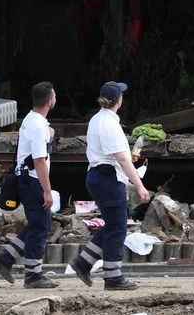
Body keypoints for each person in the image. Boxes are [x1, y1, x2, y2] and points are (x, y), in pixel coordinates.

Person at [68, 81, 150, 291]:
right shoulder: (110, 124)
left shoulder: (97, 119)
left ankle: (83, 262)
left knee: (115, 224)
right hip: (108, 178)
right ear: (118, 100)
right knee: (117, 227)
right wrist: (139, 186)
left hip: (98, 175)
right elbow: (122, 160)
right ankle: (113, 276)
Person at [0, 81, 57, 288]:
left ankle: (6, 257)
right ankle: (33, 274)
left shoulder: (31, 120)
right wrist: (47, 191)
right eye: (54, 97)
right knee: (41, 227)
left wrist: (48, 137)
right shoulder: (38, 125)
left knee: (39, 224)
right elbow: (39, 160)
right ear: (50, 101)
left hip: (26, 178)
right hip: (33, 180)